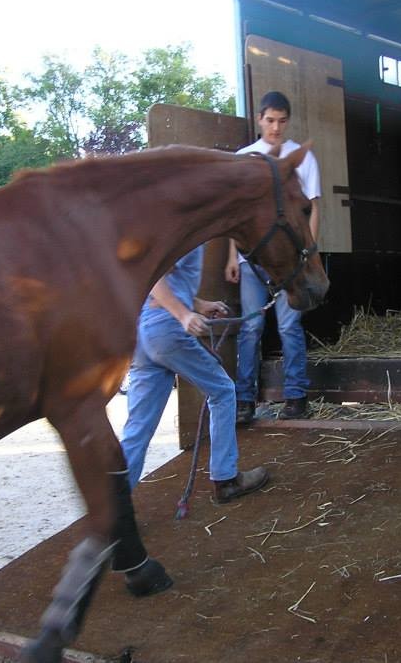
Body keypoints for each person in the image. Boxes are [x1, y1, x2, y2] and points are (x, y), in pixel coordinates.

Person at [120, 244, 269, 503]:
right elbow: (154, 277)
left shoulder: (170, 221)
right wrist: (183, 315)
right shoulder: (182, 224)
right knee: (223, 391)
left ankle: (113, 509)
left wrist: (198, 305)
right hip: (166, 329)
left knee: (138, 426)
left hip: (144, 334)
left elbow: (165, 279)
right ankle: (226, 479)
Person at [225, 91, 321, 424]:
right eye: (270, 120)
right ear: (259, 120)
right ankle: (244, 401)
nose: (276, 128)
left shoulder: (300, 157)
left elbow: (312, 208)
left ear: (288, 121)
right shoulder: (244, 158)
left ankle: (296, 396)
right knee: (250, 328)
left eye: (282, 121)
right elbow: (236, 218)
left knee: (289, 325)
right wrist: (231, 258)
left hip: (289, 260)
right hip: (252, 261)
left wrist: (307, 253)